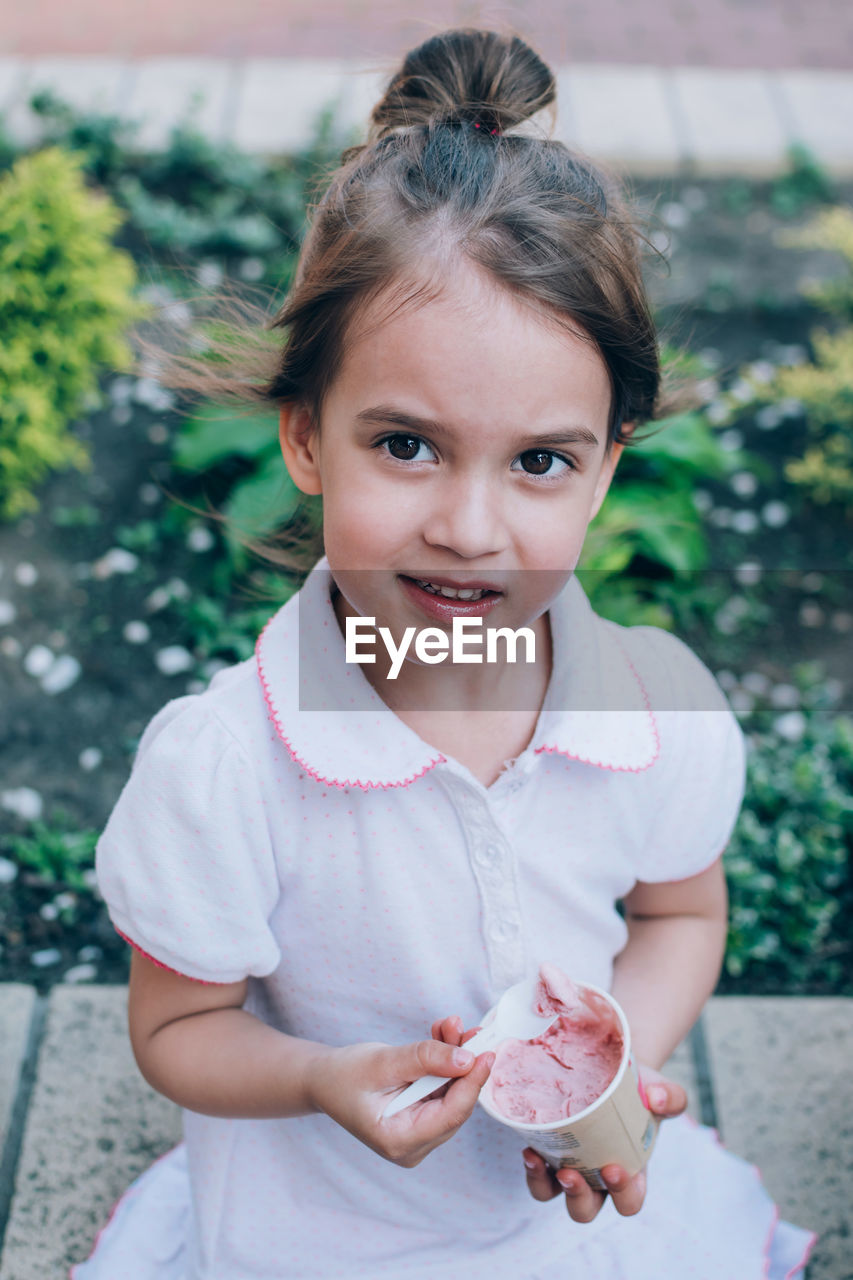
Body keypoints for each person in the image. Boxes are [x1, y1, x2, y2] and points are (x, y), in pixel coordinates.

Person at [73, 27, 817, 1280]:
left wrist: (618, 1055)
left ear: (606, 468)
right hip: (319, 1238)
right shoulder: (228, 766)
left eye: (538, 461)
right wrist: (320, 1074)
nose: (470, 529)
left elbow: (681, 910)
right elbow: (177, 1025)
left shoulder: (652, 705)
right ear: (305, 438)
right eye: (405, 444)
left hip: (564, 1234)